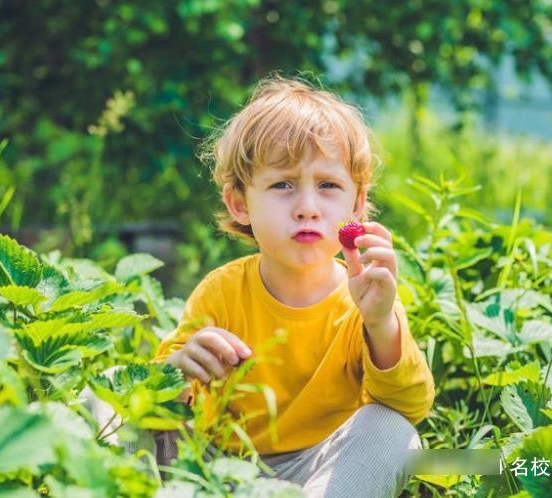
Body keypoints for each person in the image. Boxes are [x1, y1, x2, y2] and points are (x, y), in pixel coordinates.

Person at [156, 75, 435, 497]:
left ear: (356, 204)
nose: (307, 208)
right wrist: (180, 368)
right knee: (111, 398)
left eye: (328, 186)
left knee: (393, 432)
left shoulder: (367, 300)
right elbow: (159, 397)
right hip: (218, 471)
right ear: (239, 203)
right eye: (282, 184)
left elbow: (411, 405)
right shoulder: (222, 291)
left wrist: (380, 325)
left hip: (321, 474)